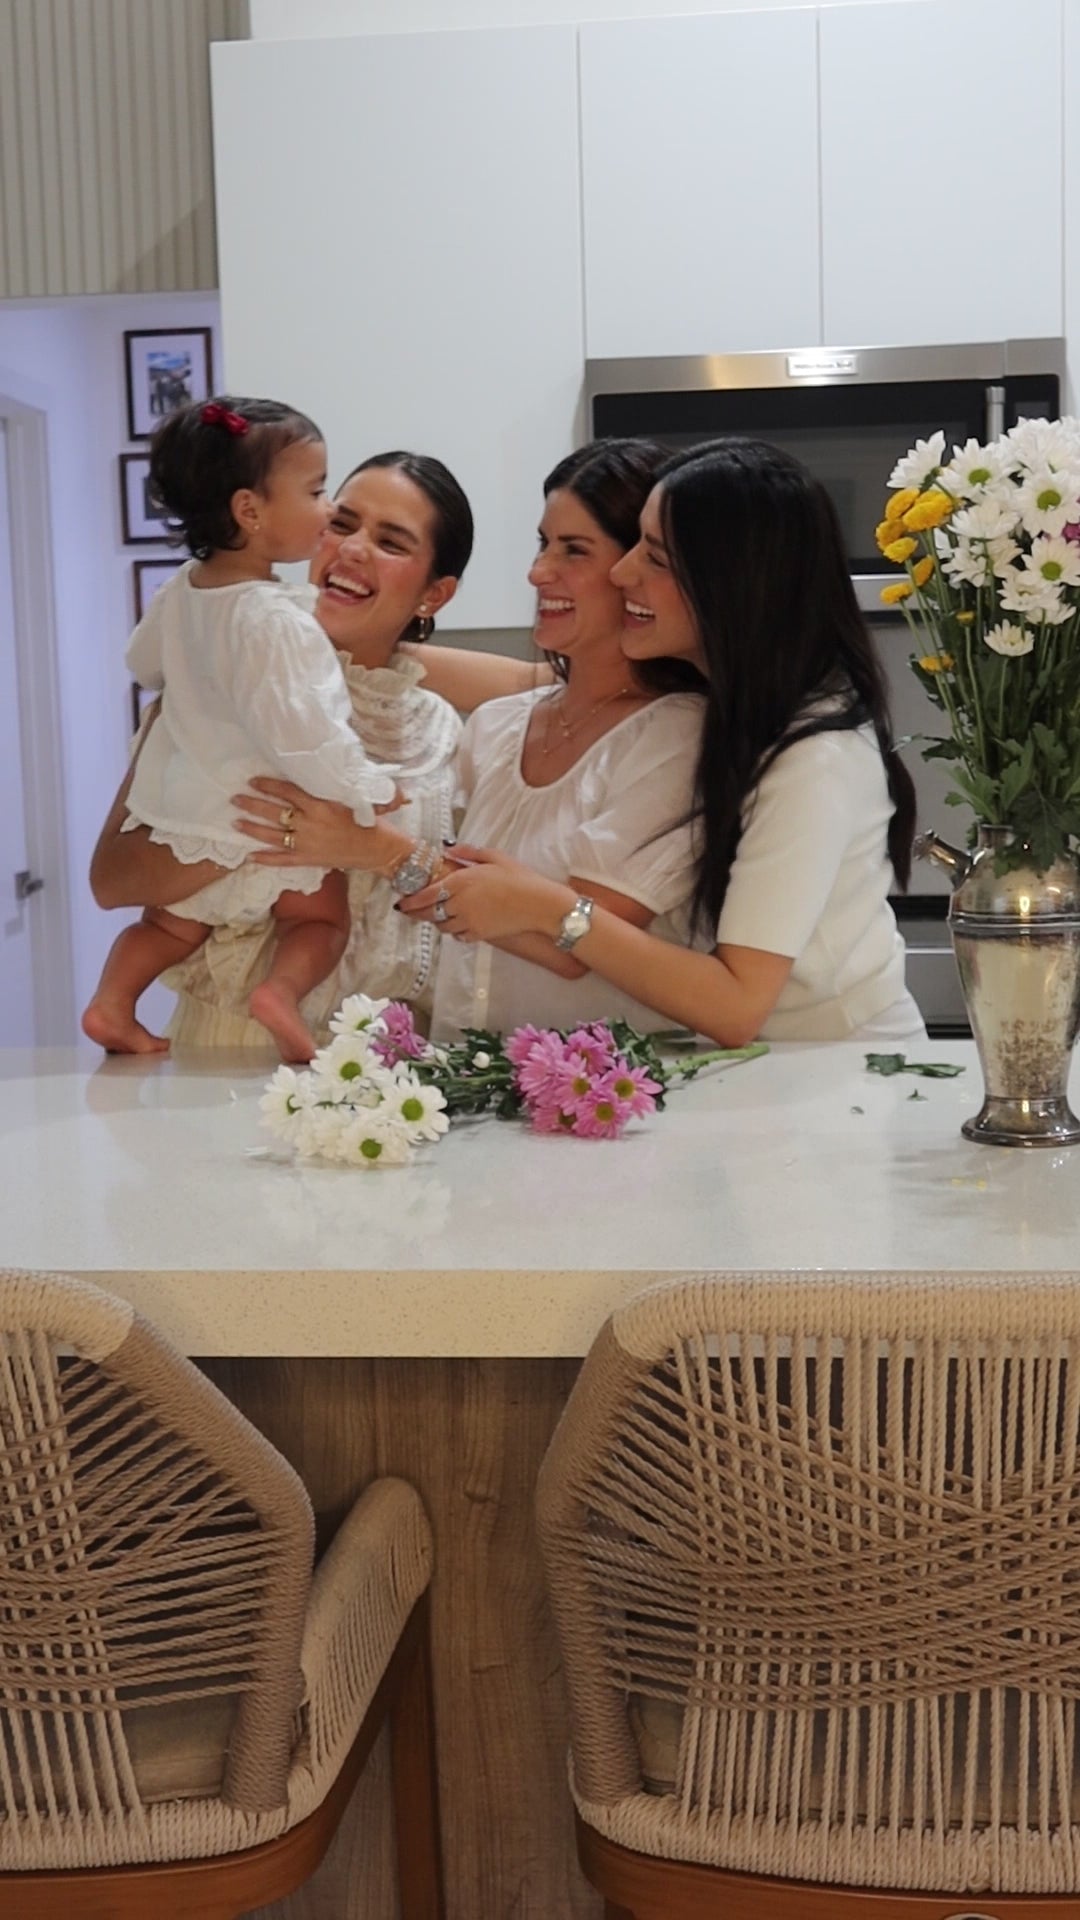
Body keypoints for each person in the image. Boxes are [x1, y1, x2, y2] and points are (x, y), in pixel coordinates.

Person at [397, 438, 925, 1046]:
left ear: (730, 581)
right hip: (772, 1071)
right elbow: (547, 690)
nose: (623, 574)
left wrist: (546, 907)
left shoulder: (814, 759)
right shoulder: (742, 705)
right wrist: (373, 652)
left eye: (654, 557)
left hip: (838, 1067)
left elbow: (737, 1006)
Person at [233, 439, 708, 1036]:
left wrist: (376, 849)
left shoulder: (671, 734)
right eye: (543, 544)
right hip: (435, 1060)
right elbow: (450, 895)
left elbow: (568, 943)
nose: (537, 572)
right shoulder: (496, 726)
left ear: (635, 572)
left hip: (564, 1072)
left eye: (574, 550)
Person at [88, 451, 473, 1048]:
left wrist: (372, 848)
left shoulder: (445, 734)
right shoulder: (218, 691)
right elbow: (110, 881)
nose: (353, 548)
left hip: (397, 1059)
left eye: (391, 542)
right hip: (227, 1052)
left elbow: (474, 909)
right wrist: (254, 834)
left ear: (435, 594)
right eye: (342, 523)